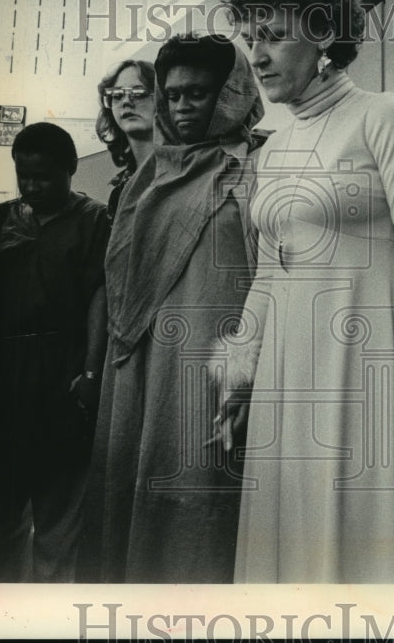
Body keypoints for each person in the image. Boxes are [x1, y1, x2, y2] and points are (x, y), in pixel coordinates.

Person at [218, 0, 394, 584]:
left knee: (356, 555)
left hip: (364, 368)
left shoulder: (383, 116)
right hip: (286, 376)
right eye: (250, 38)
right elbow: (269, 274)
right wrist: (241, 373)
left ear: (324, 33)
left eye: (274, 36)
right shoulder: (273, 149)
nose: (257, 55)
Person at [84, 33, 263, 582]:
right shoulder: (150, 175)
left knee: (205, 486)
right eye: (175, 94)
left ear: (230, 96)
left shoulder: (260, 166)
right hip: (143, 363)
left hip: (217, 361)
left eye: (200, 94)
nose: (183, 107)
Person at [0, 122, 109, 582]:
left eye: (45, 176)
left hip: (62, 374)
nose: (32, 186)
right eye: (24, 175)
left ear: (72, 170)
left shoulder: (95, 221)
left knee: (60, 508)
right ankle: (0, 611)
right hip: (3, 380)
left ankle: (50, 608)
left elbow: (99, 297)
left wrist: (91, 373)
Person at [94, 59, 157, 219]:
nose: (126, 102)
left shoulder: (182, 173)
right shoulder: (121, 189)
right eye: (117, 95)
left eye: (139, 93)